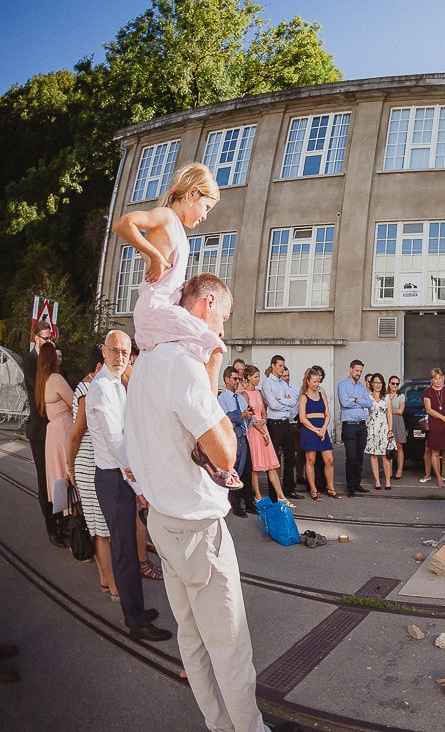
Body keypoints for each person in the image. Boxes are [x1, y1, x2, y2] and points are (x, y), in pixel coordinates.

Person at [124, 273, 268, 732]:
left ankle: (217, 723)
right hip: (197, 527)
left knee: (191, 633)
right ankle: (249, 729)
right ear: (207, 304)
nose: (222, 332)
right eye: (222, 319)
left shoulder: (145, 361)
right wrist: (210, 365)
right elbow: (225, 453)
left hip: (163, 520)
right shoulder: (182, 365)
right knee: (230, 643)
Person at [86, 329, 173, 642]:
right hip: (113, 479)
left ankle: (135, 608)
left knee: (126, 549)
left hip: (122, 477)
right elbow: (116, 444)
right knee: (123, 552)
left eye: (125, 351)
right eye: (115, 351)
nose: (121, 357)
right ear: (104, 352)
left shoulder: (116, 383)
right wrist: (141, 490)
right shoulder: (101, 389)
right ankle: (135, 621)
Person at [111, 163, 227, 395]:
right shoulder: (165, 216)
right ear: (193, 193)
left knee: (196, 343)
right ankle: (210, 407)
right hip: (155, 309)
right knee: (214, 343)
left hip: (159, 310)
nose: (205, 216)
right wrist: (154, 255)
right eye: (206, 207)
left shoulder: (177, 231)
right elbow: (123, 224)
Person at [67, 345, 117, 601]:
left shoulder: (89, 388)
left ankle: (105, 581)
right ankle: (111, 584)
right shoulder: (87, 390)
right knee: (101, 529)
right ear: (98, 367)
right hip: (88, 464)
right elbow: (76, 433)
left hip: (92, 462)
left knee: (99, 526)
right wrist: (69, 463)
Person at [24, 320, 63, 547]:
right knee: (43, 480)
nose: (48, 341)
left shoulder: (52, 358)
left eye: (51, 338)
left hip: (55, 427)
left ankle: (62, 520)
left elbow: (61, 380)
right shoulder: (30, 362)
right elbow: (40, 387)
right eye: (45, 338)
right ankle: (52, 527)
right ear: (36, 338)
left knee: (57, 478)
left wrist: (57, 362)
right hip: (40, 430)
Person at [35, 342, 74, 532]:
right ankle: (77, 530)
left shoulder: (42, 381)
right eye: (57, 356)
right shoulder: (56, 378)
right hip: (64, 431)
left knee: (60, 478)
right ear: (53, 359)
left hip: (53, 433)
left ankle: (69, 526)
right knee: (70, 476)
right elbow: (75, 402)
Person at [240, 365, 289, 507]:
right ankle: (258, 495)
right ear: (248, 377)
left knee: (271, 463)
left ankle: (281, 496)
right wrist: (259, 426)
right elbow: (247, 414)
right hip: (253, 430)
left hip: (262, 427)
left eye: (258, 377)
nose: (257, 380)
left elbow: (263, 411)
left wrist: (263, 421)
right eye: (255, 377)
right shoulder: (244, 394)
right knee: (255, 465)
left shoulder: (258, 393)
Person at [261, 355, 302, 501]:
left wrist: (281, 401)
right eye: (280, 366)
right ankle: (274, 493)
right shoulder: (267, 383)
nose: (282, 368)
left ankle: (288, 489)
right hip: (274, 424)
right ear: (273, 366)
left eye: (283, 366)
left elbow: (293, 400)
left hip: (285, 423)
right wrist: (283, 402)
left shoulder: (283, 384)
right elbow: (272, 404)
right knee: (274, 459)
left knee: (291, 457)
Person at [217, 366, 256, 517]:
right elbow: (225, 418)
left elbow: (249, 417)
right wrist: (241, 415)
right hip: (231, 436)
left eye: (239, 379)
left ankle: (249, 503)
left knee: (247, 469)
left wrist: (248, 415)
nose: (237, 382)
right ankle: (235, 505)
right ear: (226, 379)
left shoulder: (240, 397)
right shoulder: (221, 398)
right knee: (234, 470)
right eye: (234, 379)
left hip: (243, 436)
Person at [299, 366, 339, 500]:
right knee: (311, 459)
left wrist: (323, 428)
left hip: (322, 429)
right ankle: (313, 489)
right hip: (310, 430)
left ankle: (331, 487)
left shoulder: (322, 395)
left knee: (329, 459)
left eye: (318, 382)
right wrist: (316, 430)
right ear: (308, 381)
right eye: (315, 381)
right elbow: (302, 418)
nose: (317, 384)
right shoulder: (304, 397)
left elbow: (327, 414)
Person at [337, 359, 370, 496]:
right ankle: (350, 487)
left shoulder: (362, 387)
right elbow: (345, 403)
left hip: (361, 425)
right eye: (357, 370)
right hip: (349, 425)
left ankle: (357, 483)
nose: (359, 373)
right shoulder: (342, 385)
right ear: (351, 369)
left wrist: (355, 400)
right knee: (351, 457)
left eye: (361, 371)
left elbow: (368, 403)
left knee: (359, 457)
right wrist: (360, 402)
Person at [422, 368, 445, 486]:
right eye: (435, 378)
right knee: (435, 452)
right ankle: (439, 478)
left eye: (440, 378)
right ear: (431, 380)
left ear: (443, 378)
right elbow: (429, 410)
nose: (438, 381)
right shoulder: (428, 391)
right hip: (435, 424)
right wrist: (444, 418)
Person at [363, 373, 391, 490]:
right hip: (371, 428)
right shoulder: (367, 397)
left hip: (384, 428)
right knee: (373, 455)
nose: (378, 385)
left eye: (380, 383)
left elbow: (389, 415)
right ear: (371, 384)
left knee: (385, 455)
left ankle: (388, 481)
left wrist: (390, 430)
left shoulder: (387, 397)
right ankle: (377, 481)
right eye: (375, 382)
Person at [385, 375, 407, 481]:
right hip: (388, 421)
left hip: (398, 421)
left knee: (399, 446)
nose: (395, 386)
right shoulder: (385, 395)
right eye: (393, 383)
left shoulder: (401, 396)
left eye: (397, 384)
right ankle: (389, 470)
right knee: (389, 446)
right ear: (389, 383)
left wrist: (388, 410)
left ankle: (399, 469)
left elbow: (400, 411)